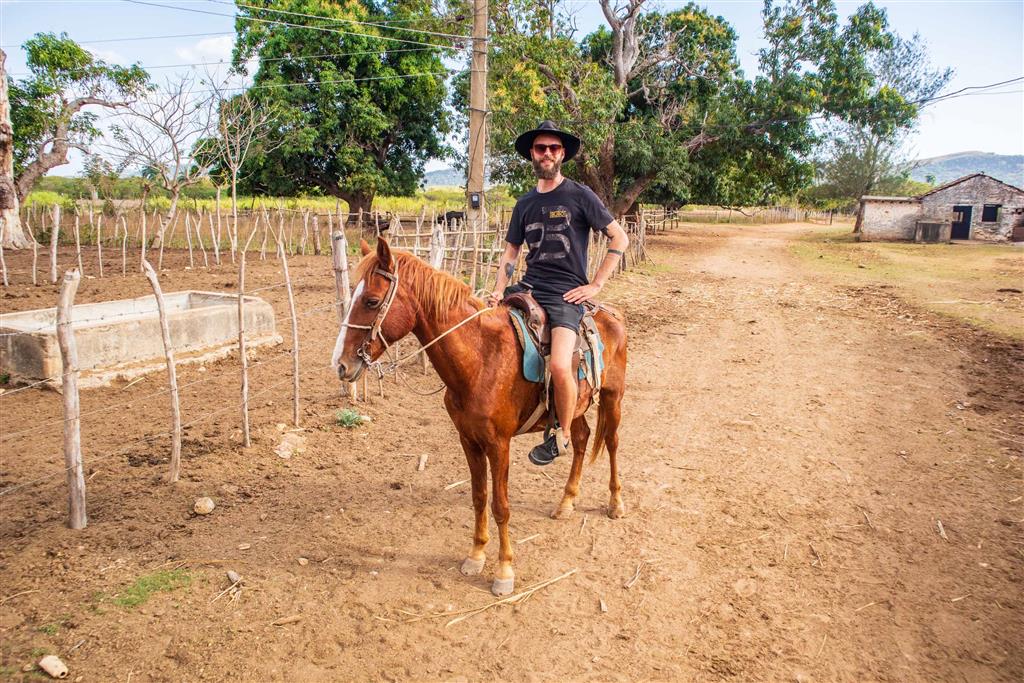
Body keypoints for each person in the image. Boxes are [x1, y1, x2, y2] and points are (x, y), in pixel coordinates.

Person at [487, 121, 629, 466]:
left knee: (560, 364)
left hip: (565, 295)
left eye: (553, 148)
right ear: (532, 155)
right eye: (541, 148)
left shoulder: (580, 195)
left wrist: (595, 285)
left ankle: (562, 435)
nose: (547, 153)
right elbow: (511, 252)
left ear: (562, 154)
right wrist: (498, 290)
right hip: (528, 288)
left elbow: (619, 238)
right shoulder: (524, 203)